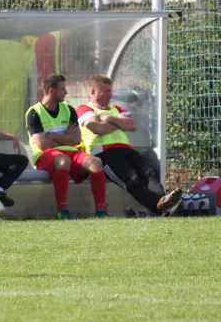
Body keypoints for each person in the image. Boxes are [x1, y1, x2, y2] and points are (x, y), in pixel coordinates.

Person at [76, 75, 182, 216]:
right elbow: (97, 129)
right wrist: (119, 124)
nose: (110, 94)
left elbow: (132, 126)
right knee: (133, 179)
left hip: (125, 149)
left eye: (110, 90)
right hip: (104, 153)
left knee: (149, 171)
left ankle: (164, 202)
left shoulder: (116, 108)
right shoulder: (84, 108)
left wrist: (109, 119)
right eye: (105, 91)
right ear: (92, 92)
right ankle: (161, 208)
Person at [26, 74, 108, 220]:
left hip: (71, 153)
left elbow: (76, 139)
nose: (66, 92)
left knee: (96, 163)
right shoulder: (34, 112)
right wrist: (65, 137)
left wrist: (53, 136)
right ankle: (62, 210)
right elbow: (43, 144)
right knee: (63, 160)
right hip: (47, 156)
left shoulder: (69, 110)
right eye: (63, 89)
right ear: (52, 91)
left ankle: (101, 211)